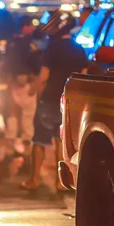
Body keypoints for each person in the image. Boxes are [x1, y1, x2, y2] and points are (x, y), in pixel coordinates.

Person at [22, 11, 88, 193]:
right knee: (62, 142)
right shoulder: (78, 49)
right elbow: (83, 76)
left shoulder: (52, 48)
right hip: (69, 103)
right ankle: (61, 182)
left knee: (40, 141)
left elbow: (43, 77)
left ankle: (34, 179)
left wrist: (36, 94)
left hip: (49, 100)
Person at [3, 16, 41, 157]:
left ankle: (9, 150)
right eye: (31, 25)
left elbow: (7, 63)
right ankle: (27, 153)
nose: (34, 28)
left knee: (12, 115)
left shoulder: (12, 42)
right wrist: (36, 83)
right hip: (27, 84)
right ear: (26, 26)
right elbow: (36, 64)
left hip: (14, 83)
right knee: (27, 118)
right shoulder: (30, 43)